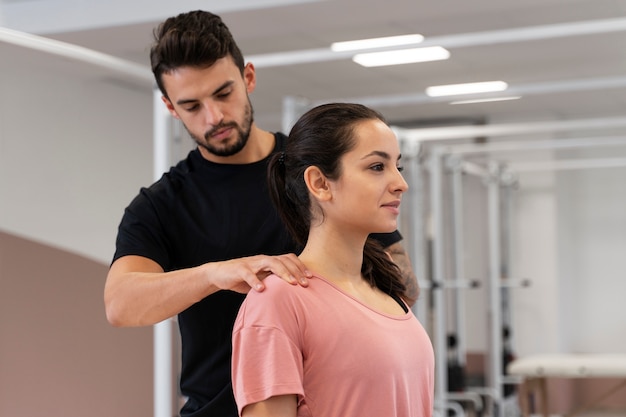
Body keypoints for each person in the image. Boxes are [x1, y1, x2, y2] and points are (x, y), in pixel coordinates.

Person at [104, 10, 419, 417]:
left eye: (223, 93)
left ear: (248, 78)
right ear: (169, 107)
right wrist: (216, 274)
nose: (213, 117)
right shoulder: (162, 204)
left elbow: (402, 287)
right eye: (192, 106)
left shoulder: (314, 173)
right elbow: (121, 304)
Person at [231, 102, 434, 417]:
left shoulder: (386, 291)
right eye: (377, 167)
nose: (400, 183)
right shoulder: (278, 301)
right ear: (320, 184)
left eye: (398, 166)